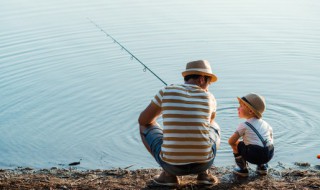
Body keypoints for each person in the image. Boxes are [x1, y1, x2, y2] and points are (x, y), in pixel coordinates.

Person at [138, 60, 221, 186]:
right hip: (204, 162)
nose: (208, 87)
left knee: (144, 126)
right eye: (209, 83)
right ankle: (204, 174)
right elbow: (208, 123)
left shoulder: (166, 91)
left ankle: (168, 176)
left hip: (172, 166)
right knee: (214, 126)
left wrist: (166, 110)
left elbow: (143, 120)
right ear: (202, 79)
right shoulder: (210, 97)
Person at [228, 93, 274, 177]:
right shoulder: (266, 124)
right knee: (262, 143)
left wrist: (241, 143)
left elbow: (231, 141)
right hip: (269, 153)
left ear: (250, 111)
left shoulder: (244, 125)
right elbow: (270, 139)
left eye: (241, 106)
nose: (238, 108)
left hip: (254, 155)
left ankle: (242, 168)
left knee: (237, 143)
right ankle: (262, 167)